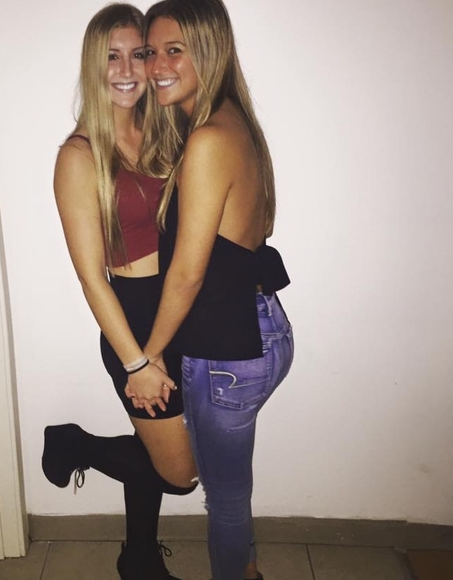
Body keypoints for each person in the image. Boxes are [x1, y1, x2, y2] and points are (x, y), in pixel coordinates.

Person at [125, 1, 294, 579]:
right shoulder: (229, 123)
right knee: (225, 484)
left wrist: (147, 357)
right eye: (152, 52)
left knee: (224, 499)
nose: (156, 66)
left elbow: (187, 274)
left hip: (228, 353)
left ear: (210, 51)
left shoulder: (207, 140)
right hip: (257, 328)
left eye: (175, 51)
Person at [42, 4, 197, 580]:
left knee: (155, 445)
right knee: (181, 473)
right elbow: (91, 276)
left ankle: (138, 558)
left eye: (140, 54)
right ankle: (76, 444)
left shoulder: (166, 132)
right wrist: (136, 362)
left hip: (184, 310)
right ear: (93, 64)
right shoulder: (80, 156)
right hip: (133, 319)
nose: (129, 69)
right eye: (113, 56)